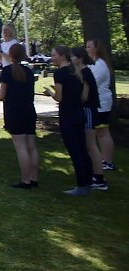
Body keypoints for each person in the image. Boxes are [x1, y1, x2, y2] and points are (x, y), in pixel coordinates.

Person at [44, 45, 93, 195]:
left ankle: (81, 186)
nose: (52, 58)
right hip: (79, 114)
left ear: (62, 56)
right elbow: (83, 97)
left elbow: (59, 97)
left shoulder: (60, 74)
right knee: (83, 149)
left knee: (75, 151)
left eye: (54, 55)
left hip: (68, 116)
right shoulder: (76, 72)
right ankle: (88, 181)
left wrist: (50, 92)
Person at [0, 43, 39, 189]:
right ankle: (34, 178)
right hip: (29, 110)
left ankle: (25, 180)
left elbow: (1, 95)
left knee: (21, 148)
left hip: (14, 111)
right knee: (31, 146)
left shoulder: (7, 71)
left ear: (11, 56)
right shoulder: (29, 72)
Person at [71, 46, 107, 191]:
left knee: (91, 145)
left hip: (88, 111)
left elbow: (84, 97)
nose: (71, 59)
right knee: (88, 145)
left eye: (72, 56)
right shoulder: (81, 72)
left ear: (80, 58)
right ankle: (94, 174)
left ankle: (99, 179)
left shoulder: (85, 72)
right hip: (85, 110)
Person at [86, 39, 116, 171]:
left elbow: (92, 83)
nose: (86, 49)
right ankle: (104, 159)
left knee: (102, 132)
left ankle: (107, 161)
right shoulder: (93, 64)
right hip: (97, 102)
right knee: (100, 132)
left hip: (101, 103)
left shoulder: (100, 65)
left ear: (96, 49)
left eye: (88, 47)